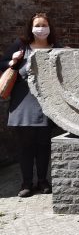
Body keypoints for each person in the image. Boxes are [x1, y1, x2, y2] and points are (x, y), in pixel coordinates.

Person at [0, 12, 62, 197]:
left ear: (49, 28)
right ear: (31, 28)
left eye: (44, 25)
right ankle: (26, 183)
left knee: (43, 146)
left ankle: (42, 181)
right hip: (22, 104)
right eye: (37, 25)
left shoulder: (56, 47)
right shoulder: (21, 46)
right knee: (25, 147)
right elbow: (2, 64)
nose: (41, 29)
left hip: (46, 104)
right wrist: (13, 61)